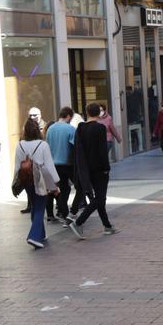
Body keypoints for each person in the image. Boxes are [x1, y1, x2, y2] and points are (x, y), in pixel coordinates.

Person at [68, 103, 118, 239]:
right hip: (99, 169)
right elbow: (102, 150)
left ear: (87, 112)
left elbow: (78, 150)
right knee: (100, 198)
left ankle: (107, 226)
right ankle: (79, 222)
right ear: (99, 113)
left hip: (85, 169)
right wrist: (106, 168)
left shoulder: (80, 128)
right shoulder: (100, 128)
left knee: (99, 198)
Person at [14, 118, 60, 249]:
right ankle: (33, 236)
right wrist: (56, 182)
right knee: (40, 207)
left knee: (35, 205)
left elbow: (17, 166)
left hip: (26, 178)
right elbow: (49, 165)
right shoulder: (43, 144)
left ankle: (41, 234)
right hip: (41, 179)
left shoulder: (20, 145)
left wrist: (16, 182)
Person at [45, 107, 80, 221]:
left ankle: (63, 212)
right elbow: (75, 147)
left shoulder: (50, 129)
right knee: (79, 187)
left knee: (63, 189)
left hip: (54, 165)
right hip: (68, 164)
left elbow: (48, 146)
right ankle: (70, 211)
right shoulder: (70, 129)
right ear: (69, 116)